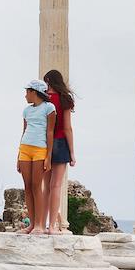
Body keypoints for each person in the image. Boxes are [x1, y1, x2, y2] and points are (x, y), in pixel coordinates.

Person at [16, 79, 55, 235]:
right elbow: (24, 132)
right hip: (25, 149)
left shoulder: (49, 108)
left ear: (34, 92)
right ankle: (32, 225)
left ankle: (40, 225)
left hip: (40, 149)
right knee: (27, 186)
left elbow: (50, 132)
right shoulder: (26, 110)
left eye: (27, 92)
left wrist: (48, 156)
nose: (25, 95)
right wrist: (18, 155)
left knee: (36, 185)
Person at [42, 69, 76, 233]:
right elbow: (67, 128)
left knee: (45, 187)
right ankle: (53, 226)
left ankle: (41, 224)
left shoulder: (42, 98)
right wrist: (72, 153)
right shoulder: (65, 99)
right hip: (61, 142)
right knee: (56, 186)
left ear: (48, 80)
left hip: (43, 144)